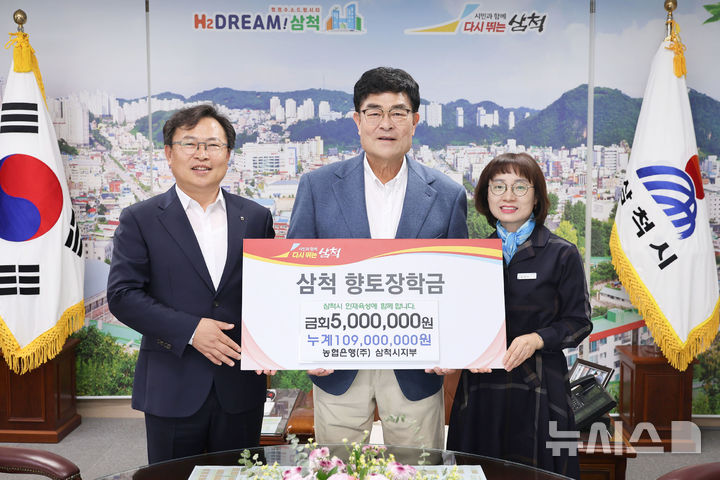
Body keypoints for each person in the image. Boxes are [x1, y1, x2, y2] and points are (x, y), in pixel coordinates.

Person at [287, 67, 468, 449]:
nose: (386, 124)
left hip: (416, 366)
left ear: (415, 121)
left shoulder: (448, 194)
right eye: (374, 112)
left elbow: (459, 283)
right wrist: (301, 345)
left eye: (398, 113)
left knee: (418, 468)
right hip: (337, 362)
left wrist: (453, 345)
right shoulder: (317, 186)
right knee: (338, 469)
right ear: (357, 120)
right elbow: (295, 273)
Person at [107, 105, 275, 463]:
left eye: (213, 145)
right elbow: (123, 296)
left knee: (239, 473)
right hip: (172, 383)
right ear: (169, 154)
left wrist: (275, 342)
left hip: (239, 385)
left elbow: (270, 293)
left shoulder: (256, 217)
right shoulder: (140, 219)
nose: (202, 154)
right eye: (190, 144)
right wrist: (191, 330)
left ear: (228, 154)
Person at [446, 153, 592, 479]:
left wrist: (537, 338)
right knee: (478, 470)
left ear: (537, 197)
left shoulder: (562, 253)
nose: (508, 196)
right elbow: (457, 321)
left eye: (520, 187)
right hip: (482, 386)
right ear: (486, 196)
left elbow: (579, 322)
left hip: (540, 386)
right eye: (498, 186)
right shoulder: (470, 255)